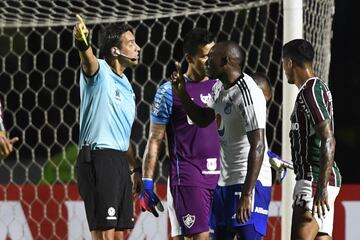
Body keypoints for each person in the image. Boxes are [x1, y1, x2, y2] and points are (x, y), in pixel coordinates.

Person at [171, 40, 272, 240]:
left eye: (212, 57)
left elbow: (258, 145)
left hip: (249, 182)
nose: (207, 61)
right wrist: (182, 93)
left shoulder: (248, 93)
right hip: (224, 182)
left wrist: (247, 194)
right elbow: (202, 120)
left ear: (225, 61)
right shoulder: (218, 87)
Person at [140, 28, 220, 240]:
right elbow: (155, 139)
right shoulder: (169, 91)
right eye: (204, 56)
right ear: (188, 58)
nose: (210, 61)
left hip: (222, 176)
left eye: (213, 55)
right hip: (188, 175)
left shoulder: (221, 87)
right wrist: (147, 181)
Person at [73, 15, 142, 240]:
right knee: (104, 234)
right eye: (130, 43)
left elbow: (122, 136)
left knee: (120, 234)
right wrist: (83, 43)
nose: (137, 48)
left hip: (119, 162)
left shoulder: (128, 88)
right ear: (115, 51)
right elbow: (88, 59)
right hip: (98, 158)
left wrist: (135, 169)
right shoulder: (100, 71)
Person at [282, 39, 341, 240]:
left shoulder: (311, 90)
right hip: (320, 181)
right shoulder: (314, 89)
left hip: (313, 181)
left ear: (289, 63)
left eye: (283, 63)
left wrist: (320, 188)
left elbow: (328, 139)